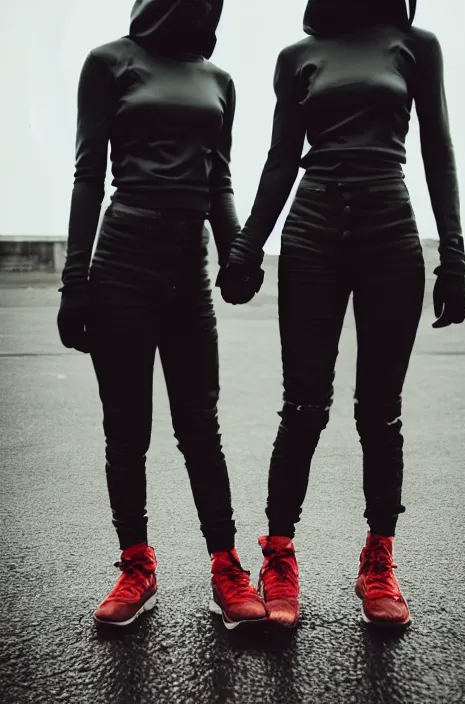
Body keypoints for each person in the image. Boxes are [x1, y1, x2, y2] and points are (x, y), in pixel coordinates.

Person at [217, 0, 465, 629]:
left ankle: (378, 560)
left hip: (390, 230)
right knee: (303, 405)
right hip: (311, 233)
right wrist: (248, 247)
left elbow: (438, 149)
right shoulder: (297, 57)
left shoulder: (415, 44)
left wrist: (454, 258)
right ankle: (279, 555)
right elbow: (281, 158)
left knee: (379, 412)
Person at [57, 0, 268, 630]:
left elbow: (220, 180)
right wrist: (75, 281)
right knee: (126, 428)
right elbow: (88, 175)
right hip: (122, 260)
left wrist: (236, 253)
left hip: (189, 269)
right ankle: (136, 565)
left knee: (200, 425)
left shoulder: (219, 81)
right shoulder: (109, 63)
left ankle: (226, 566)